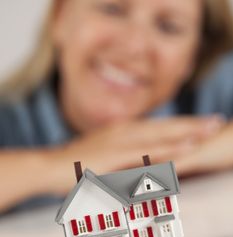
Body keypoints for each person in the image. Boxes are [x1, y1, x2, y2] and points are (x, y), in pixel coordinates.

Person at [0, 0, 233, 213]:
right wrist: (59, 165)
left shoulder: (211, 90)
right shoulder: (9, 118)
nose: (134, 45)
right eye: (112, 9)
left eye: (168, 27)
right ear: (60, 17)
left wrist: (176, 157)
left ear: (193, 58)